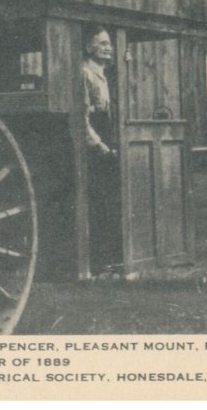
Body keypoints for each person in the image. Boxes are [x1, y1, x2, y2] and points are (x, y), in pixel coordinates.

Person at [81, 24, 122, 271]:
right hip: (92, 147)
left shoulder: (103, 73)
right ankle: (96, 263)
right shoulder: (84, 73)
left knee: (109, 200)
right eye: (103, 43)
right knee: (97, 202)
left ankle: (109, 260)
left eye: (109, 44)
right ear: (89, 47)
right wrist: (99, 146)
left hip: (106, 138)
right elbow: (82, 117)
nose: (109, 48)